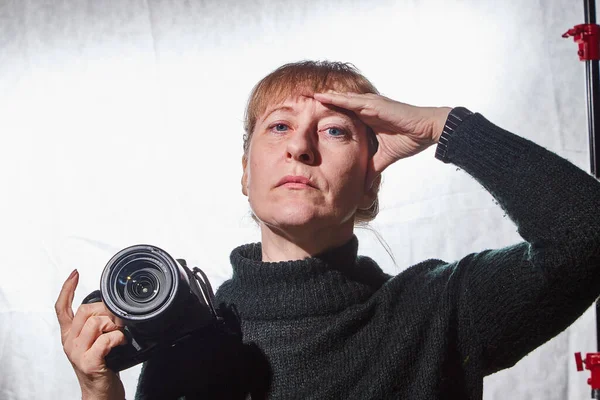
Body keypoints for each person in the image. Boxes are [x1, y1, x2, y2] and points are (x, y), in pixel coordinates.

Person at [55, 60, 600, 400]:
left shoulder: (441, 310)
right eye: (280, 126)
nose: (301, 146)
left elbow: (588, 237)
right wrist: (98, 393)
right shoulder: (190, 335)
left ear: (370, 183)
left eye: (335, 130)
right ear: (246, 173)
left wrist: (445, 126)